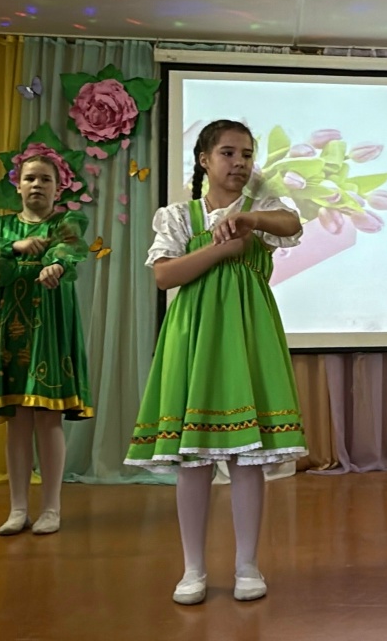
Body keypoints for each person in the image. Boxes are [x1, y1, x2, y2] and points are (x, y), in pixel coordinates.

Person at [126, 120, 307, 604]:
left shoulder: (262, 211)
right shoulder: (179, 216)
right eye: (228, 153)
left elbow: (292, 224)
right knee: (193, 460)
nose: (239, 162)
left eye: (246, 154)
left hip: (247, 336)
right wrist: (221, 248)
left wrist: (249, 221)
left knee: (247, 459)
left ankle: (247, 565)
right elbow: (165, 276)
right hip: (194, 337)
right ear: (204, 160)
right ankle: (193, 569)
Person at [0, 155, 92, 537]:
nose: (37, 185)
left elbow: (71, 250)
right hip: (12, 327)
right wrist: (14, 247)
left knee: (48, 417)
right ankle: (18, 508)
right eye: (30, 178)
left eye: (45, 179)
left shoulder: (65, 222)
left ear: (58, 188)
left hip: (50, 324)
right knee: (17, 419)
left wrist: (56, 265)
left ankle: (51, 508)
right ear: (18, 186)